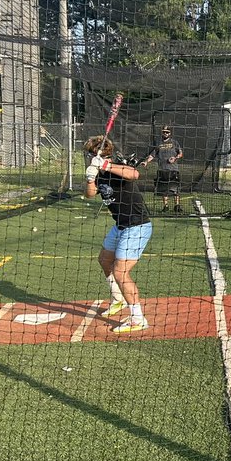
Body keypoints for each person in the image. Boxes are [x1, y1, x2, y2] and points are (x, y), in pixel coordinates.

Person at [84, 135, 153, 334]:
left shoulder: (115, 167)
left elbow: (134, 174)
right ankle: (118, 299)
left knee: (120, 271)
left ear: (96, 154)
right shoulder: (97, 172)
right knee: (105, 260)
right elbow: (89, 194)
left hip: (137, 226)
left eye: (89, 154)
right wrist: (90, 178)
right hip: (120, 226)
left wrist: (105, 164)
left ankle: (138, 318)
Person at [143, 124, 185, 214]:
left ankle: (177, 206)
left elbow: (180, 153)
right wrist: (146, 162)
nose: (165, 133)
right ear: (162, 132)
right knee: (163, 189)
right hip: (162, 169)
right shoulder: (158, 143)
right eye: (164, 132)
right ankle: (165, 206)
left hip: (173, 169)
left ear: (170, 133)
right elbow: (152, 155)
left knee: (175, 189)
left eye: (167, 132)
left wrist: (175, 158)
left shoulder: (174, 142)